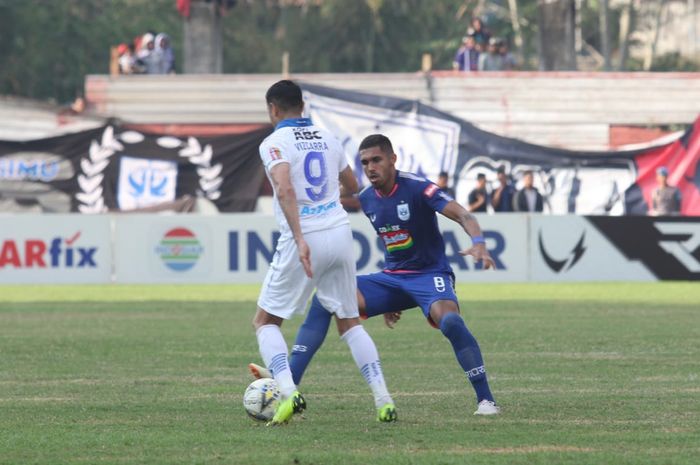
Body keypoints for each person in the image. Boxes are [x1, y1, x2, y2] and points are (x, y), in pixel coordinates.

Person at [253, 134, 500, 416]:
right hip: (392, 277)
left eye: (376, 160)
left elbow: (463, 215)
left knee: (451, 322)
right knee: (325, 299)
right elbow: (392, 240)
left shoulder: (418, 188)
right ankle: (288, 386)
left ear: (393, 159)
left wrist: (479, 243)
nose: (370, 167)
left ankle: (486, 400)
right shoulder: (368, 198)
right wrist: (390, 298)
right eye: (365, 162)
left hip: (429, 275)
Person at [252, 81, 396, 425]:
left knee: (265, 321)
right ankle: (383, 399)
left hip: (306, 237)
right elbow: (351, 185)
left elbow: (285, 187)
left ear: (274, 109)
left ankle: (288, 390)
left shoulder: (274, 142)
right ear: (302, 105)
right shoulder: (327, 136)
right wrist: (326, 200)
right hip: (340, 233)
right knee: (348, 323)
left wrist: (300, 236)